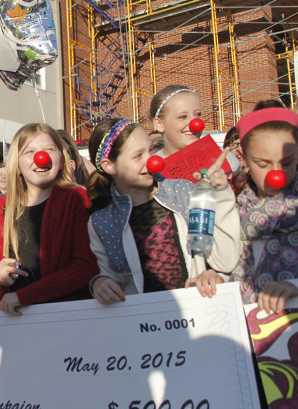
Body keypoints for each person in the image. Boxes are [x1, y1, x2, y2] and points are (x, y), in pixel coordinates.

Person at [86, 118, 241, 305]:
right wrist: (100, 283)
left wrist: (214, 275)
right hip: (145, 324)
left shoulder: (185, 194)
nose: (152, 161)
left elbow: (225, 261)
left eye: (151, 150)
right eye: (138, 156)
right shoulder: (102, 222)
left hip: (198, 309)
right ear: (109, 165)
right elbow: (112, 280)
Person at [0, 123, 98, 315]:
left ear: (62, 160)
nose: (41, 158)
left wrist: (25, 296)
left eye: (49, 150)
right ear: (18, 165)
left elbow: (85, 268)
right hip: (10, 316)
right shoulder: (3, 206)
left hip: (60, 316)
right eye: (29, 152)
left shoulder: (77, 199)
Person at [231, 107, 298, 314]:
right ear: (244, 158)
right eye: (263, 164)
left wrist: (294, 285)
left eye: (287, 163)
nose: (276, 174)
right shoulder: (233, 211)